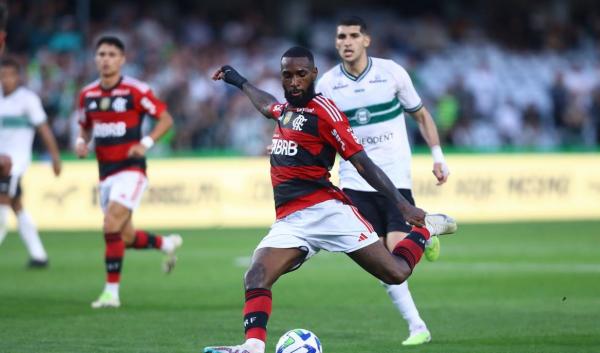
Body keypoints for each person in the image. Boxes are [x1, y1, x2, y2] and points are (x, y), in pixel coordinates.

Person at [203, 46, 456, 353]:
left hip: (328, 212)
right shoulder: (286, 110)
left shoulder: (326, 113)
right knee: (256, 275)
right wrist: (239, 81)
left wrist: (402, 204)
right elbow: (266, 105)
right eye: (287, 75)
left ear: (313, 75)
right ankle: (253, 346)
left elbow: (362, 162)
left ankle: (424, 231)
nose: (294, 81)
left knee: (396, 272)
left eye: (300, 75)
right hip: (291, 221)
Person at [315, 16, 451, 345]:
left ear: (366, 41)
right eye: (340, 37)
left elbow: (420, 114)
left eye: (352, 36)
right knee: (383, 264)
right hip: (354, 183)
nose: (345, 42)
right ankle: (417, 325)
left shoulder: (391, 73)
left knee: (393, 253)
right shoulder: (328, 85)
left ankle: (424, 232)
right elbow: (316, 131)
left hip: (395, 182)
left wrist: (437, 156)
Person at [76, 36, 182, 309]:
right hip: (105, 174)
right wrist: (82, 141)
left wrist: (145, 143)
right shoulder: (87, 94)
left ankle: (111, 294)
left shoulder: (135, 91)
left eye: (112, 54)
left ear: (122, 59)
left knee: (110, 224)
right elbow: (85, 126)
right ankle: (165, 243)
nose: (106, 58)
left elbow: (166, 118)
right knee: (124, 236)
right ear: (95, 58)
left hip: (131, 171)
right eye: (101, 53)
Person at [0, 57, 61, 268]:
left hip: (14, 162)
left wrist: (55, 156)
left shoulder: (27, 99)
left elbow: (43, 129)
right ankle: (39, 255)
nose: (6, 79)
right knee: (17, 206)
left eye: (10, 75)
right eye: (2, 75)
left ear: (18, 77)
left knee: (3, 203)